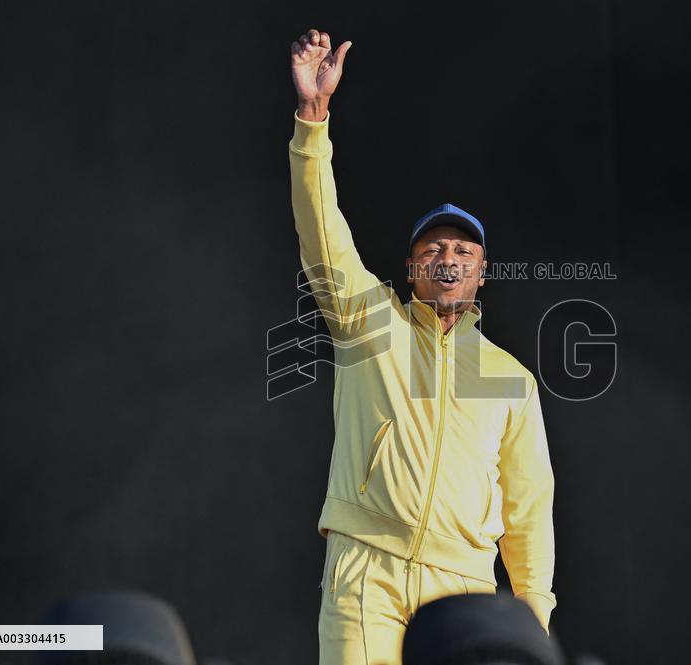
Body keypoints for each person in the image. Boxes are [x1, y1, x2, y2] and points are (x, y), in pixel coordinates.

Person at [289, 28, 557, 665]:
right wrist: (313, 120)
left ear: (482, 272)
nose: (448, 259)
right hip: (366, 574)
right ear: (409, 270)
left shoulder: (511, 380)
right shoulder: (369, 322)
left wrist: (533, 618)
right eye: (432, 250)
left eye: (464, 252)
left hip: (465, 590)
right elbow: (320, 230)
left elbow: (528, 509)